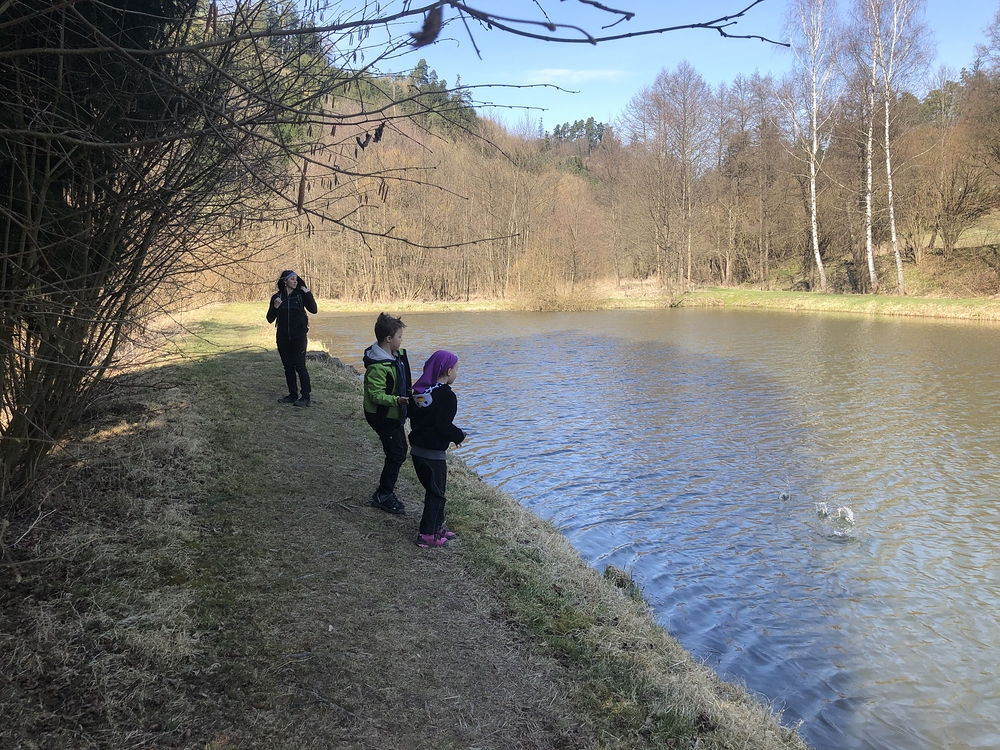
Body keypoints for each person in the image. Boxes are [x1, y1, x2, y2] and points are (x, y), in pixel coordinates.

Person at [408, 350, 465, 548]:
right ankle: (427, 534)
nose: (457, 373)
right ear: (448, 371)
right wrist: (459, 435)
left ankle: (436, 525)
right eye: (457, 369)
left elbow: (415, 418)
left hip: (417, 451)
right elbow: (443, 425)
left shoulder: (420, 392)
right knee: (436, 493)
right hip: (433, 455)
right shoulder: (448, 397)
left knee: (435, 490)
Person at [363, 313, 412, 515]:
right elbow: (375, 395)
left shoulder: (394, 357)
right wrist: (397, 400)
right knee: (396, 453)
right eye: (400, 336)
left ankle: (386, 490)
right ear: (388, 339)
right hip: (382, 416)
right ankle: (383, 495)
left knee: (399, 451)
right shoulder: (377, 366)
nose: (402, 340)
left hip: (394, 414)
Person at [266, 270, 317, 407]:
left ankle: (306, 397)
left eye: (296, 279)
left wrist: (307, 293)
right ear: (285, 281)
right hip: (282, 337)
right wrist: (275, 307)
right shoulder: (277, 297)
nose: (295, 281)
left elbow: (313, 310)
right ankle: (292, 395)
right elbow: (270, 319)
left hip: (299, 336)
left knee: (300, 366)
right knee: (288, 367)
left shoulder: (301, 295)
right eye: (292, 279)